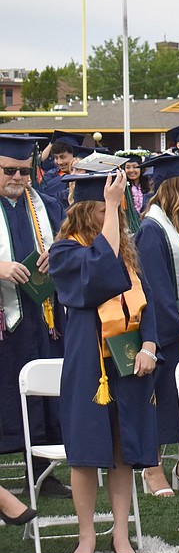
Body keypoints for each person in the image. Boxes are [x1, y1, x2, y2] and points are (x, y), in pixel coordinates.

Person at [48, 170, 159, 553]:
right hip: (87, 365)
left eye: (109, 208)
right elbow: (99, 271)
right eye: (100, 209)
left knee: (121, 451)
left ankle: (122, 534)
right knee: (84, 452)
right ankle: (86, 536)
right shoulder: (63, 252)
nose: (109, 215)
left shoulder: (126, 250)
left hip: (126, 365)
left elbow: (145, 303)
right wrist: (113, 204)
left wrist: (149, 343)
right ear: (82, 212)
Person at [0, 135, 70, 501]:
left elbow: (71, 245)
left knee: (44, 396)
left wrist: (55, 256)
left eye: (25, 172)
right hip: (3, 322)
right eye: (9, 170)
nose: (18, 178)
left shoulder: (47, 205)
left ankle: (41, 474)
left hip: (43, 319)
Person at [136, 154, 179, 498]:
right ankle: (152, 468)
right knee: (162, 401)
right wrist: (177, 325)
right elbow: (155, 286)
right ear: (171, 188)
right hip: (168, 332)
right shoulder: (152, 228)